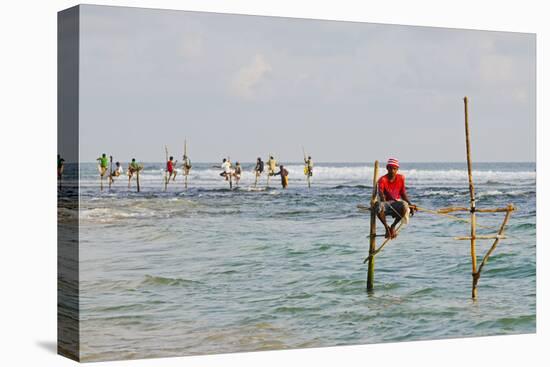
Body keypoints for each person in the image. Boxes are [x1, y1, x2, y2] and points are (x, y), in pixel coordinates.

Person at [375, 158, 417, 239]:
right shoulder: (382, 179)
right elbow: (380, 192)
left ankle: (393, 226)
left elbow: (403, 194)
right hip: (386, 203)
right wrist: (382, 197)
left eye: (394, 168)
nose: (392, 170)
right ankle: (387, 228)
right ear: (387, 168)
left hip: (396, 203)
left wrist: (410, 205)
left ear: (397, 169)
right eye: (390, 168)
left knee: (404, 205)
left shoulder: (401, 178)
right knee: (379, 207)